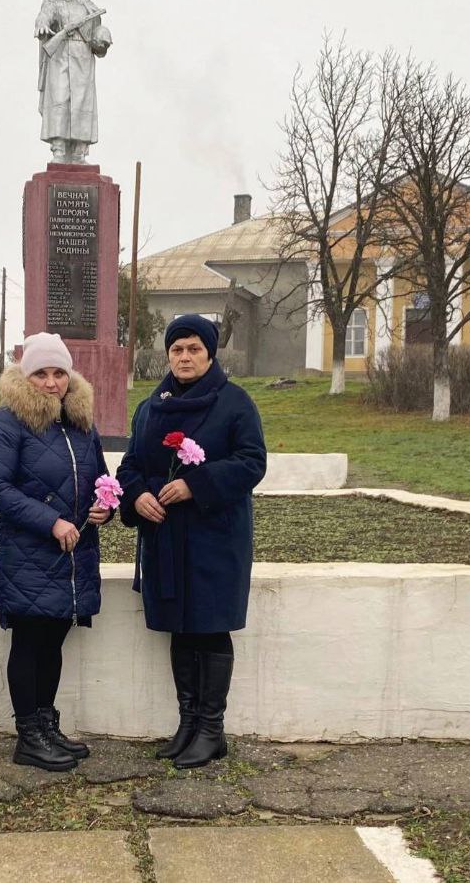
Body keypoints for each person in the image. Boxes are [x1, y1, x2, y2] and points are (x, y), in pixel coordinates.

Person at [116, 315, 266, 769]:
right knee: (180, 630)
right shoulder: (149, 408)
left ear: (210, 353)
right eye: (177, 349)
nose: (184, 357)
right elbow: (130, 465)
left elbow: (251, 463)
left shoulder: (234, 404)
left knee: (210, 628)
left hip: (214, 540)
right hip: (165, 538)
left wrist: (195, 485)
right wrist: (139, 495)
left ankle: (211, 730)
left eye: (193, 349)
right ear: (167, 355)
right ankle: (188, 724)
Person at [0, 333, 112, 771]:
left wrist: (105, 507)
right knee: (31, 640)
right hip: (30, 554)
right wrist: (49, 521)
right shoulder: (8, 423)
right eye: (42, 373)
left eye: (59, 373)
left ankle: (47, 724)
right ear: (26, 375)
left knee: (53, 638)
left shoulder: (80, 423)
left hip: (74, 555)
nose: (52, 382)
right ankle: (28, 736)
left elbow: (103, 480)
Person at [35, 0, 112, 163]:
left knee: (81, 103)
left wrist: (102, 40)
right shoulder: (54, 2)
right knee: (60, 100)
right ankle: (58, 148)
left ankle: (79, 152)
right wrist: (42, 25)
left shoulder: (89, 7)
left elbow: (96, 35)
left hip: (83, 60)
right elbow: (44, 16)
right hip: (60, 56)